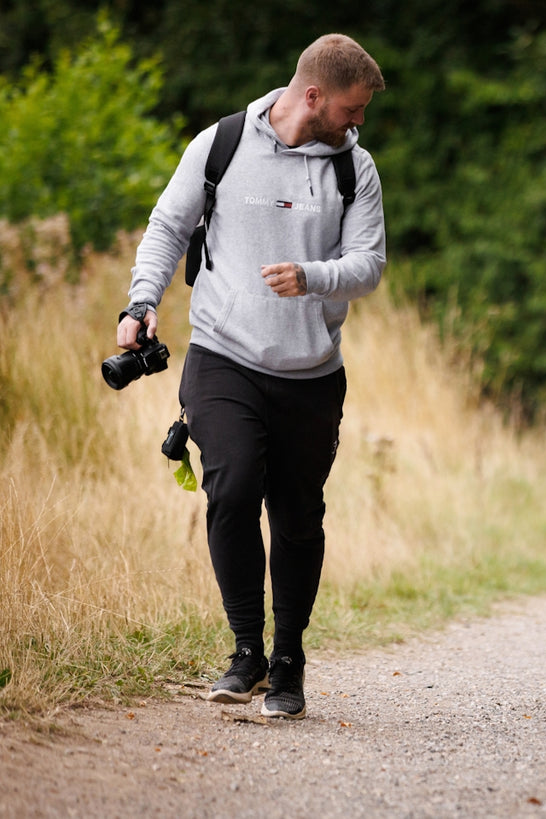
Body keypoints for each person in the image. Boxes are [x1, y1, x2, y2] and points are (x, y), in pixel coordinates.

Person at [116, 34, 387, 719]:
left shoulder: (356, 170)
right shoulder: (222, 144)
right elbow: (168, 225)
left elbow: (369, 264)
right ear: (313, 96)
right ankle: (246, 650)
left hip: (311, 373)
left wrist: (312, 277)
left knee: (297, 517)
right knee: (232, 487)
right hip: (223, 354)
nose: (359, 123)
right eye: (353, 110)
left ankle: (288, 657)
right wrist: (141, 301)